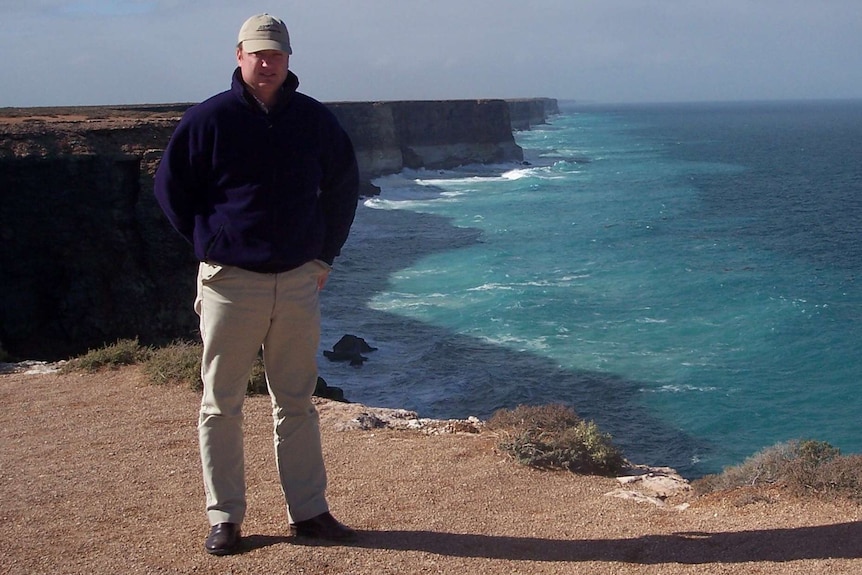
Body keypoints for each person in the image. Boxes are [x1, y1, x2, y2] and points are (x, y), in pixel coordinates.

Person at [153, 13, 360, 556]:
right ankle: (225, 517)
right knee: (221, 402)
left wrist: (324, 255)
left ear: (289, 59)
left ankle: (310, 512)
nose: (267, 64)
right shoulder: (209, 119)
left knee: (296, 399)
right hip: (230, 281)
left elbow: (343, 187)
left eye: (277, 55)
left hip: (296, 280)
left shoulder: (314, 120)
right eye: (258, 54)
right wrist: (211, 240)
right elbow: (172, 190)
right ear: (239, 54)